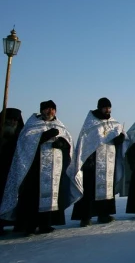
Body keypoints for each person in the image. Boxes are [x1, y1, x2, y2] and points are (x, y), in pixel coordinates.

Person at [0, 101, 81, 236]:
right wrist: (44, 136)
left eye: (53, 109)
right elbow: (26, 144)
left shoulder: (60, 125)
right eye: (47, 109)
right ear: (41, 110)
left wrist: (62, 144)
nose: (50, 111)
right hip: (34, 169)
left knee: (51, 197)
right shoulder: (32, 125)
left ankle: (45, 224)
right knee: (32, 198)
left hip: (54, 169)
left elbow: (69, 144)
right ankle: (30, 226)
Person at [70, 97, 127, 227]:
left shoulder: (114, 123)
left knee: (107, 189)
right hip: (92, 163)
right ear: (99, 107)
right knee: (89, 190)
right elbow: (86, 143)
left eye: (109, 108)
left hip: (109, 162)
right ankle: (85, 217)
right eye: (105, 107)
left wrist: (121, 138)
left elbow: (122, 139)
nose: (107, 110)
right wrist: (88, 159)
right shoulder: (91, 123)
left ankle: (104, 215)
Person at [0, 108, 24, 234]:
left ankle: (17, 223)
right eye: (8, 120)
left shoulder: (21, 135)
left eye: (15, 120)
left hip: (15, 171)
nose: (12, 122)